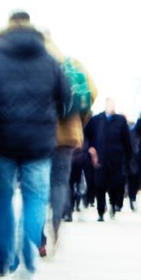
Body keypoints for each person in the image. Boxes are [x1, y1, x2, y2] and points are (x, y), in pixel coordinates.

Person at [0, 11, 69, 280]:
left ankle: (5, 261)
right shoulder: (49, 61)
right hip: (39, 144)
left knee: (2, 199)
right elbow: (66, 99)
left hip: (3, 143)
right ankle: (29, 251)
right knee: (36, 199)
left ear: (6, 30)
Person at [44, 34, 96, 249]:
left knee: (37, 182)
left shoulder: (38, 62)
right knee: (59, 182)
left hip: (39, 132)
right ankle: (56, 224)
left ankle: (38, 235)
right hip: (66, 134)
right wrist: (79, 119)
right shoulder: (71, 63)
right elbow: (91, 92)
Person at [84, 99, 133, 221]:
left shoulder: (120, 121)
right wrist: (90, 148)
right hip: (100, 158)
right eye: (109, 105)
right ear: (105, 105)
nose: (111, 107)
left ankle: (112, 205)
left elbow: (127, 141)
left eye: (113, 105)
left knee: (115, 185)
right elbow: (86, 136)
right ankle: (100, 211)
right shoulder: (96, 120)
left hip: (116, 159)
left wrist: (128, 159)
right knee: (100, 185)